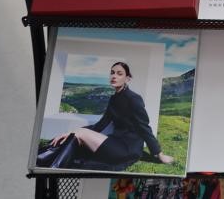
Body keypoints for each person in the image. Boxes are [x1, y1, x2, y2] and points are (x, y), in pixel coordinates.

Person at [41, 61, 174, 170]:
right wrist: (73, 132)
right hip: (115, 142)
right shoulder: (114, 99)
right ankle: (46, 159)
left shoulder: (134, 98)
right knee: (77, 137)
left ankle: (53, 168)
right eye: (112, 73)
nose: (114, 76)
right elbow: (100, 125)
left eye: (119, 73)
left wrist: (159, 154)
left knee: (79, 133)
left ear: (127, 78)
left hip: (127, 148)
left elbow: (144, 128)